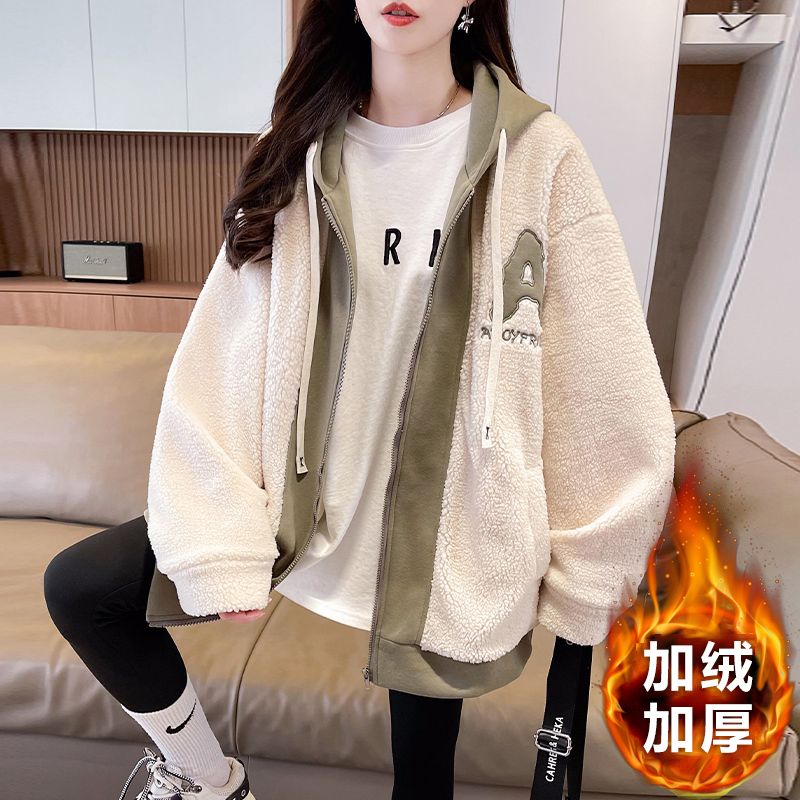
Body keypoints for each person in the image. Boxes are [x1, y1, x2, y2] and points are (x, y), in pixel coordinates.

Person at [43, 0, 677, 798]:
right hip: (302, 516)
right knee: (82, 587)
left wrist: (587, 575)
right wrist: (224, 539)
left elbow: (599, 381)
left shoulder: (538, 155)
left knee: (423, 781)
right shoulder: (299, 149)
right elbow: (226, 356)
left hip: (444, 538)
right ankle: (209, 780)